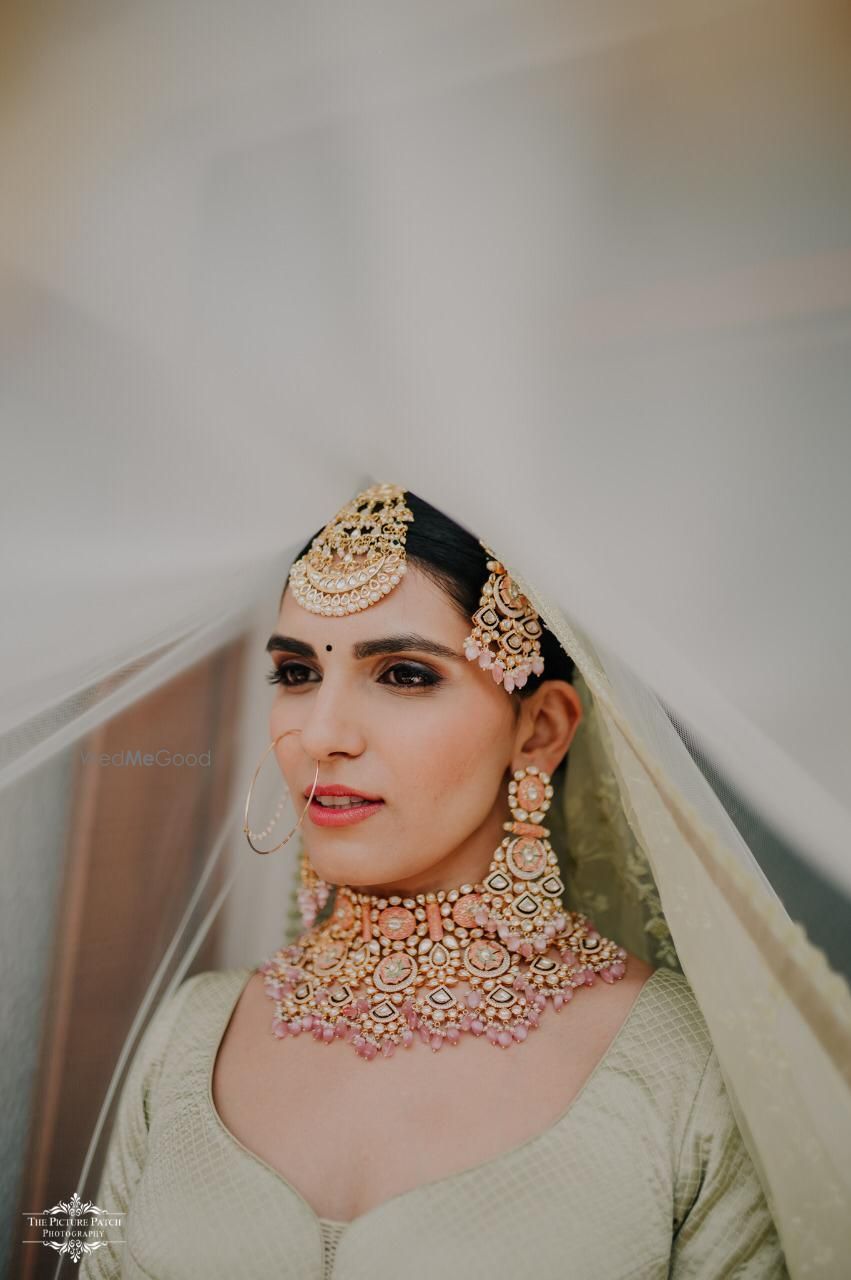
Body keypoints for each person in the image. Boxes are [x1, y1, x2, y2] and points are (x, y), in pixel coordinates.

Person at [80, 484, 787, 1279]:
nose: (319, 734)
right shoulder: (194, 1031)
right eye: (295, 671)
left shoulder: (679, 1064)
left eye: (405, 674)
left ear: (541, 728)